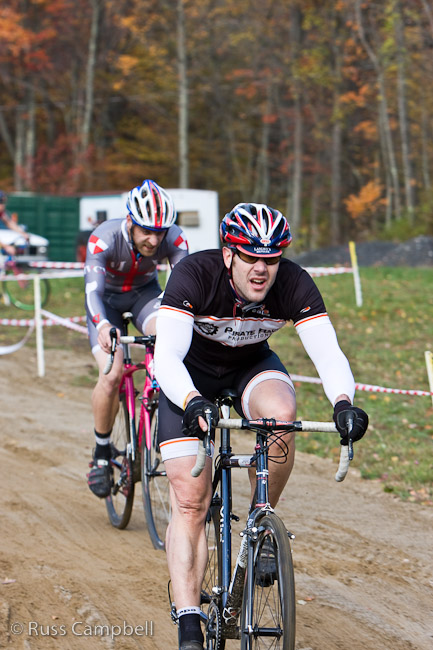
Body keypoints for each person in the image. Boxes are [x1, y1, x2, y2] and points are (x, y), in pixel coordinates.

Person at [154, 202, 369, 650]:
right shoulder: (195, 274)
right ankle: (189, 619)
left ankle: (260, 520)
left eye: (270, 259)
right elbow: (167, 356)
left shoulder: (293, 282)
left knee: (281, 415)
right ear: (228, 254)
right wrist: (191, 400)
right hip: (188, 377)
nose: (261, 269)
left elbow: (328, 352)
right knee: (190, 501)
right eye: (250, 257)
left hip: (249, 367)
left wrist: (343, 402)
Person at [85, 179, 189, 498]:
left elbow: (184, 289)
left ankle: (161, 411)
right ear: (130, 221)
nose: (154, 240)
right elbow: (92, 292)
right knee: (112, 373)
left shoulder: (175, 238)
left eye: (160, 232)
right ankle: (102, 453)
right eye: (146, 231)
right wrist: (103, 324)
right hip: (106, 303)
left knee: (168, 335)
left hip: (145, 296)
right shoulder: (104, 238)